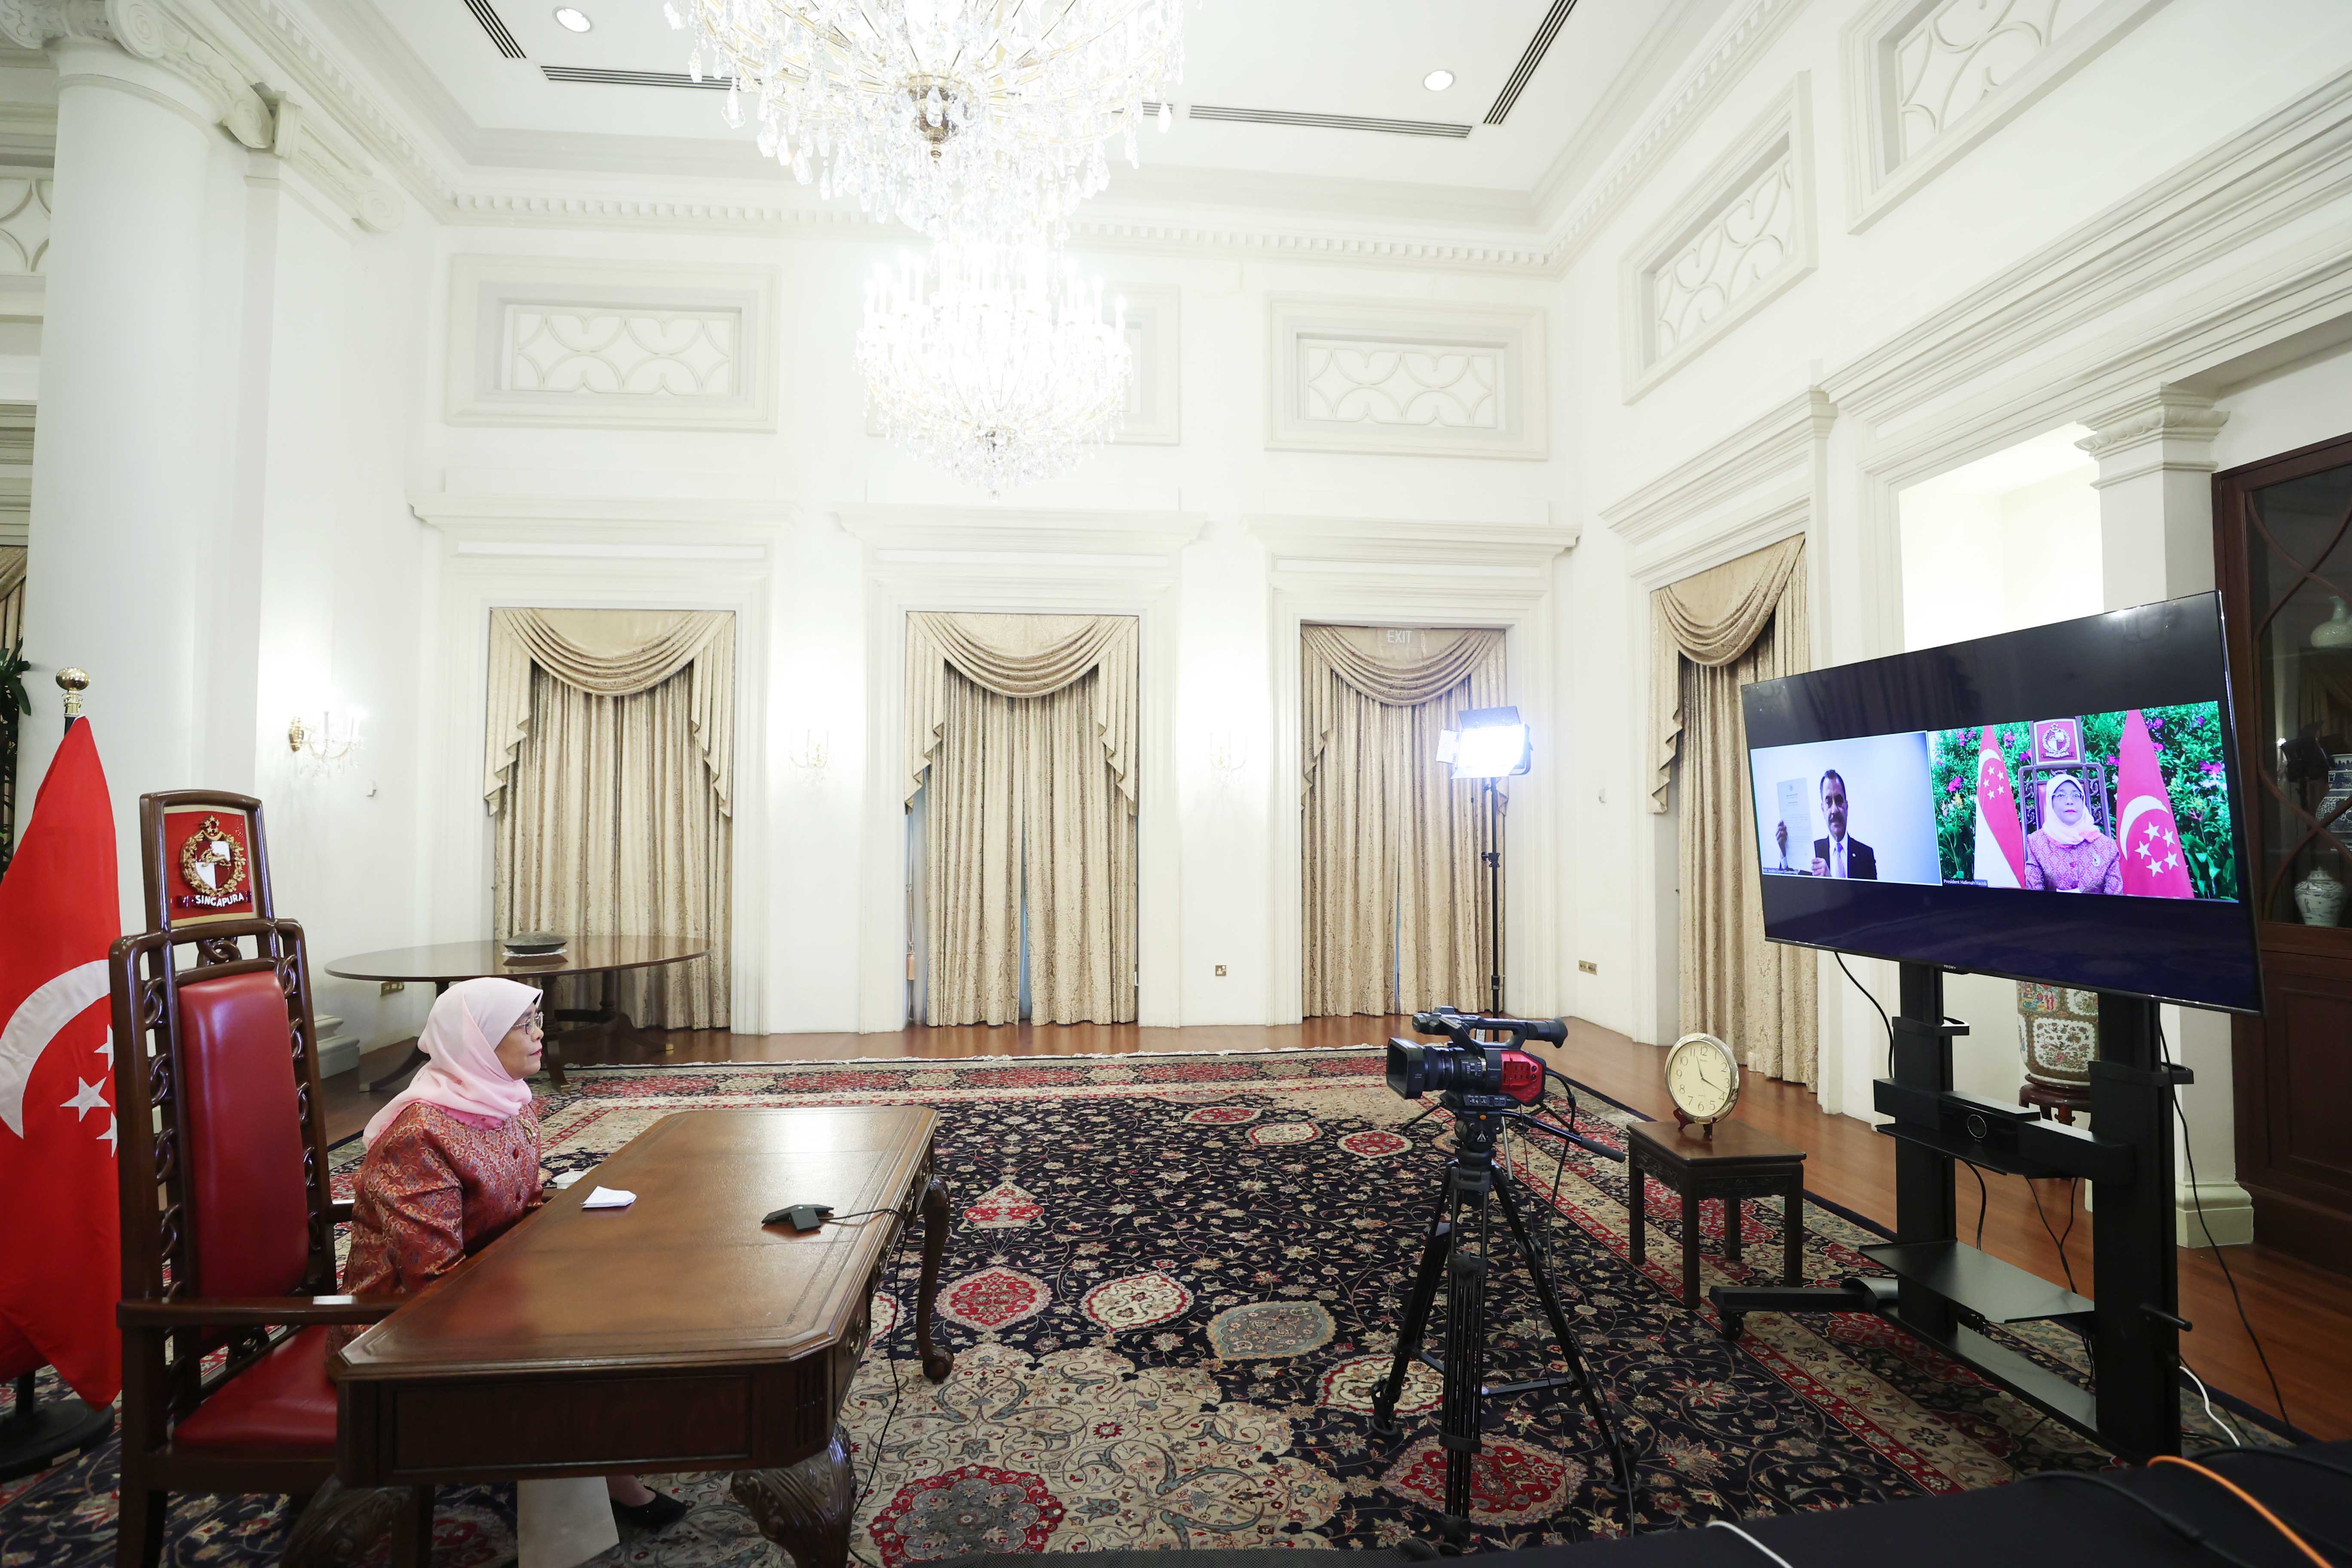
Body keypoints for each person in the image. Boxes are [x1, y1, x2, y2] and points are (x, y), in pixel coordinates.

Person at [343, 977, 689, 1534]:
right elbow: (432, 1278)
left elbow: (523, 1210)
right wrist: (543, 1300)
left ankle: (612, 1453)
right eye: (523, 1025)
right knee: (575, 1335)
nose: (539, 1034)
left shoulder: (508, 1101)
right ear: (477, 1040)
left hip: (486, 1284)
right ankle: (595, 1498)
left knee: (626, 1289)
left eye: (537, 1020)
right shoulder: (420, 1134)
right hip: (403, 1323)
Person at [2023, 772, 2122, 894]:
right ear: (2050, 803)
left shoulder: (2107, 846)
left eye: (2076, 795)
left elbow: (2116, 898)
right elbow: (2034, 897)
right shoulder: (2037, 842)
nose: (2070, 801)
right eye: (2061, 795)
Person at [1775, 769, 1878, 878]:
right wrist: (1785, 854)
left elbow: (1871, 891)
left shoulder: (1866, 855)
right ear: (1823, 809)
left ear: (1847, 806)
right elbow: (1791, 886)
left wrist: (1830, 881)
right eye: (1829, 802)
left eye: (1839, 800)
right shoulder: (1811, 854)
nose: (1835, 810)